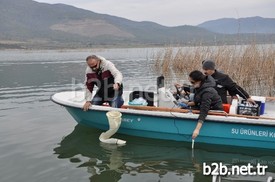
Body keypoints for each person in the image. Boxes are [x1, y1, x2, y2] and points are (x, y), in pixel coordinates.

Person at [182, 70, 223, 139]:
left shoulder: (207, 91)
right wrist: (187, 103)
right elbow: (198, 99)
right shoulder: (200, 86)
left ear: (199, 81)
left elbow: (204, 110)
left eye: (192, 82)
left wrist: (197, 129)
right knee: (184, 108)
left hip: (214, 110)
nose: (192, 84)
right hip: (204, 106)